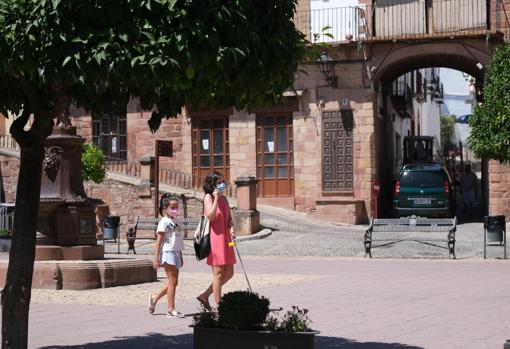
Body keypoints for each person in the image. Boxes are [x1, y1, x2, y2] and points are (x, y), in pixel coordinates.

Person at [197, 171, 236, 311]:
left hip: (226, 238)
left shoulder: (225, 199)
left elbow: (229, 220)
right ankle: (220, 308)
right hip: (215, 239)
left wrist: (231, 229)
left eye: (223, 182)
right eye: (219, 182)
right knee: (218, 274)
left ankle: (205, 295)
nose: (222, 185)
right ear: (212, 184)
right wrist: (215, 199)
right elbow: (210, 217)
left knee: (229, 273)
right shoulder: (208, 197)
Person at [148, 193, 185, 318]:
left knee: (174, 282)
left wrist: (180, 253)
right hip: (168, 253)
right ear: (165, 209)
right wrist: (156, 258)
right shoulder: (164, 222)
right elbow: (159, 241)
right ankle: (170, 308)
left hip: (176, 252)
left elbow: (177, 239)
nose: (175, 210)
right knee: (173, 281)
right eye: (172, 207)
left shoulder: (176, 221)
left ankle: (155, 297)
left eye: (176, 207)